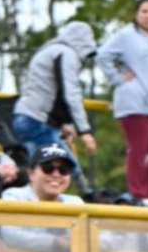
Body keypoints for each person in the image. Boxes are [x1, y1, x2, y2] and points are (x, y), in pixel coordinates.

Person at [97, 0, 148, 204]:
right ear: (137, 14)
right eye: (144, 11)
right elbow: (102, 55)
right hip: (134, 101)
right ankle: (140, 193)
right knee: (138, 150)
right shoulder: (125, 35)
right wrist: (117, 78)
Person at [13, 22, 98, 161]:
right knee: (65, 167)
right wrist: (85, 131)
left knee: (39, 171)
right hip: (37, 121)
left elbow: (48, 90)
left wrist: (62, 124)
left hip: (24, 116)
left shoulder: (49, 51)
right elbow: (71, 94)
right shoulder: (67, 53)